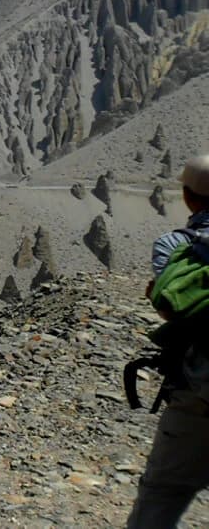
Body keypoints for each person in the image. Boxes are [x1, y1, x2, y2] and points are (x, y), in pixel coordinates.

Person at [127, 154, 209, 528]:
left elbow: (171, 307)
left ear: (188, 196)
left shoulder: (177, 245)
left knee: (164, 490)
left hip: (198, 383)